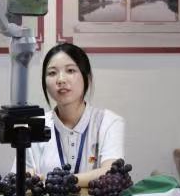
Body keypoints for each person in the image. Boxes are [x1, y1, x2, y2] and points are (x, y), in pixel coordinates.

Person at [25, 43, 125, 187]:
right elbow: (23, 176)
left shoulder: (109, 122)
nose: (61, 79)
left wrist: (59, 182)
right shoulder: (35, 125)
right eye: (52, 73)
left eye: (70, 70)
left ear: (87, 77)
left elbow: (111, 173)